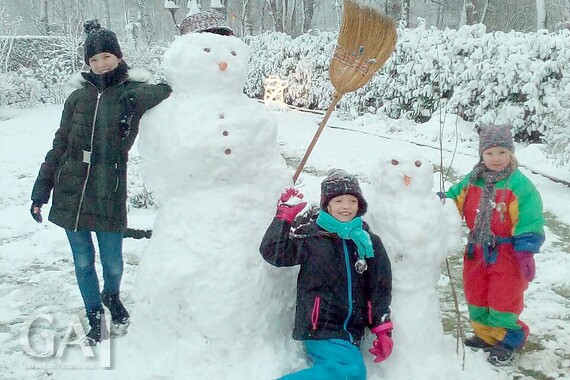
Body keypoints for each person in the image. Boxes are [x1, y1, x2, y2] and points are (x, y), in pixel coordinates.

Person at [30, 20, 172, 345]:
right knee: (82, 261)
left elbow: (165, 90)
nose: (100, 64)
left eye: (106, 56)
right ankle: (95, 316)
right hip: (71, 189)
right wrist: (41, 191)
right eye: (93, 59)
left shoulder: (132, 92)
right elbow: (59, 144)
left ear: (118, 56)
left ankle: (112, 296)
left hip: (108, 188)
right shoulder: (77, 98)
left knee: (113, 261)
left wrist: (134, 93)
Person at [260, 169, 393, 380]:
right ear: (327, 204)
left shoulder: (368, 241)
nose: (346, 207)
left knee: (349, 372)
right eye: (339, 200)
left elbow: (379, 287)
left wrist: (382, 328)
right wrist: (283, 219)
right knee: (350, 373)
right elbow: (274, 253)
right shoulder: (313, 237)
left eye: (352, 201)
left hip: (351, 329)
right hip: (319, 325)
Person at [445, 124, 545, 366]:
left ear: (511, 152)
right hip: (476, 250)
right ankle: (485, 334)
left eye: (502, 152)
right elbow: (454, 199)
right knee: (476, 293)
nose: (496, 159)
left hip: (507, 253)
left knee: (503, 297)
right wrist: (441, 204)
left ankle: (508, 338)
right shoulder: (472, 179)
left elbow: (529, 216)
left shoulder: (519, 185)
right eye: (490, 153)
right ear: (482, 154)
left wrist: (525, 250)